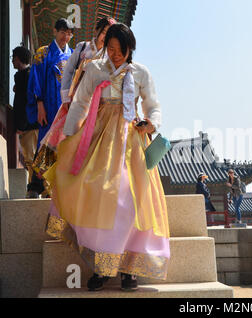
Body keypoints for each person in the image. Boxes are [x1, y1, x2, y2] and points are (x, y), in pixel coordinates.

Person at [43, 23, 170, 292]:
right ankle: (102, 266)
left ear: (129, 49)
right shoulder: (95, 69)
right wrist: (67, 137)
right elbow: (80, 103)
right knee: (98, 194)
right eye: (110, 48)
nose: (114, 54)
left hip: (130, 139)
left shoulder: (141, 73)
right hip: (99, 136)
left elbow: (153, 105)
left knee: (130, 201)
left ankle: (128, 269)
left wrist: (151, 123)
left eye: (119, 50)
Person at [32, 17, 116, 177]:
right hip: (75, 101)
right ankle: (38, 182)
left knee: (85, 142)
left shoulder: (109, 55)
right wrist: (66, 99)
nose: (106, 37)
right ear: (97, 30)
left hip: (96, 105)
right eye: (104, 32)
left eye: (110, 34)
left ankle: (74, 181)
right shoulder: (83, 47)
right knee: (58, 136)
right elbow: (69, 73)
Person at [26, 18, 74, 198]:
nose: (65, 36)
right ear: (55, 31)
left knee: (64, 146)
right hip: (48, 108)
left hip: (67, 111)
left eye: (69, 33)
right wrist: (39, 105)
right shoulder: (42, 53)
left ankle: (55, 188)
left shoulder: (73, 55)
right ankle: (35, 186)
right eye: (62, 32)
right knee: (45, 144)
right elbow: (35, 80)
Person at [11, 46, 39, 183]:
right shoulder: (29, 75)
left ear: (18, 58)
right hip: (32, 123)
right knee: (32, 157)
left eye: (13, 58)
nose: (12, 62)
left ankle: (35, 188)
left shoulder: (26, 77)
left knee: (31, 158)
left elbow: (24, 103)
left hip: (30, 124)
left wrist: (21, 124)